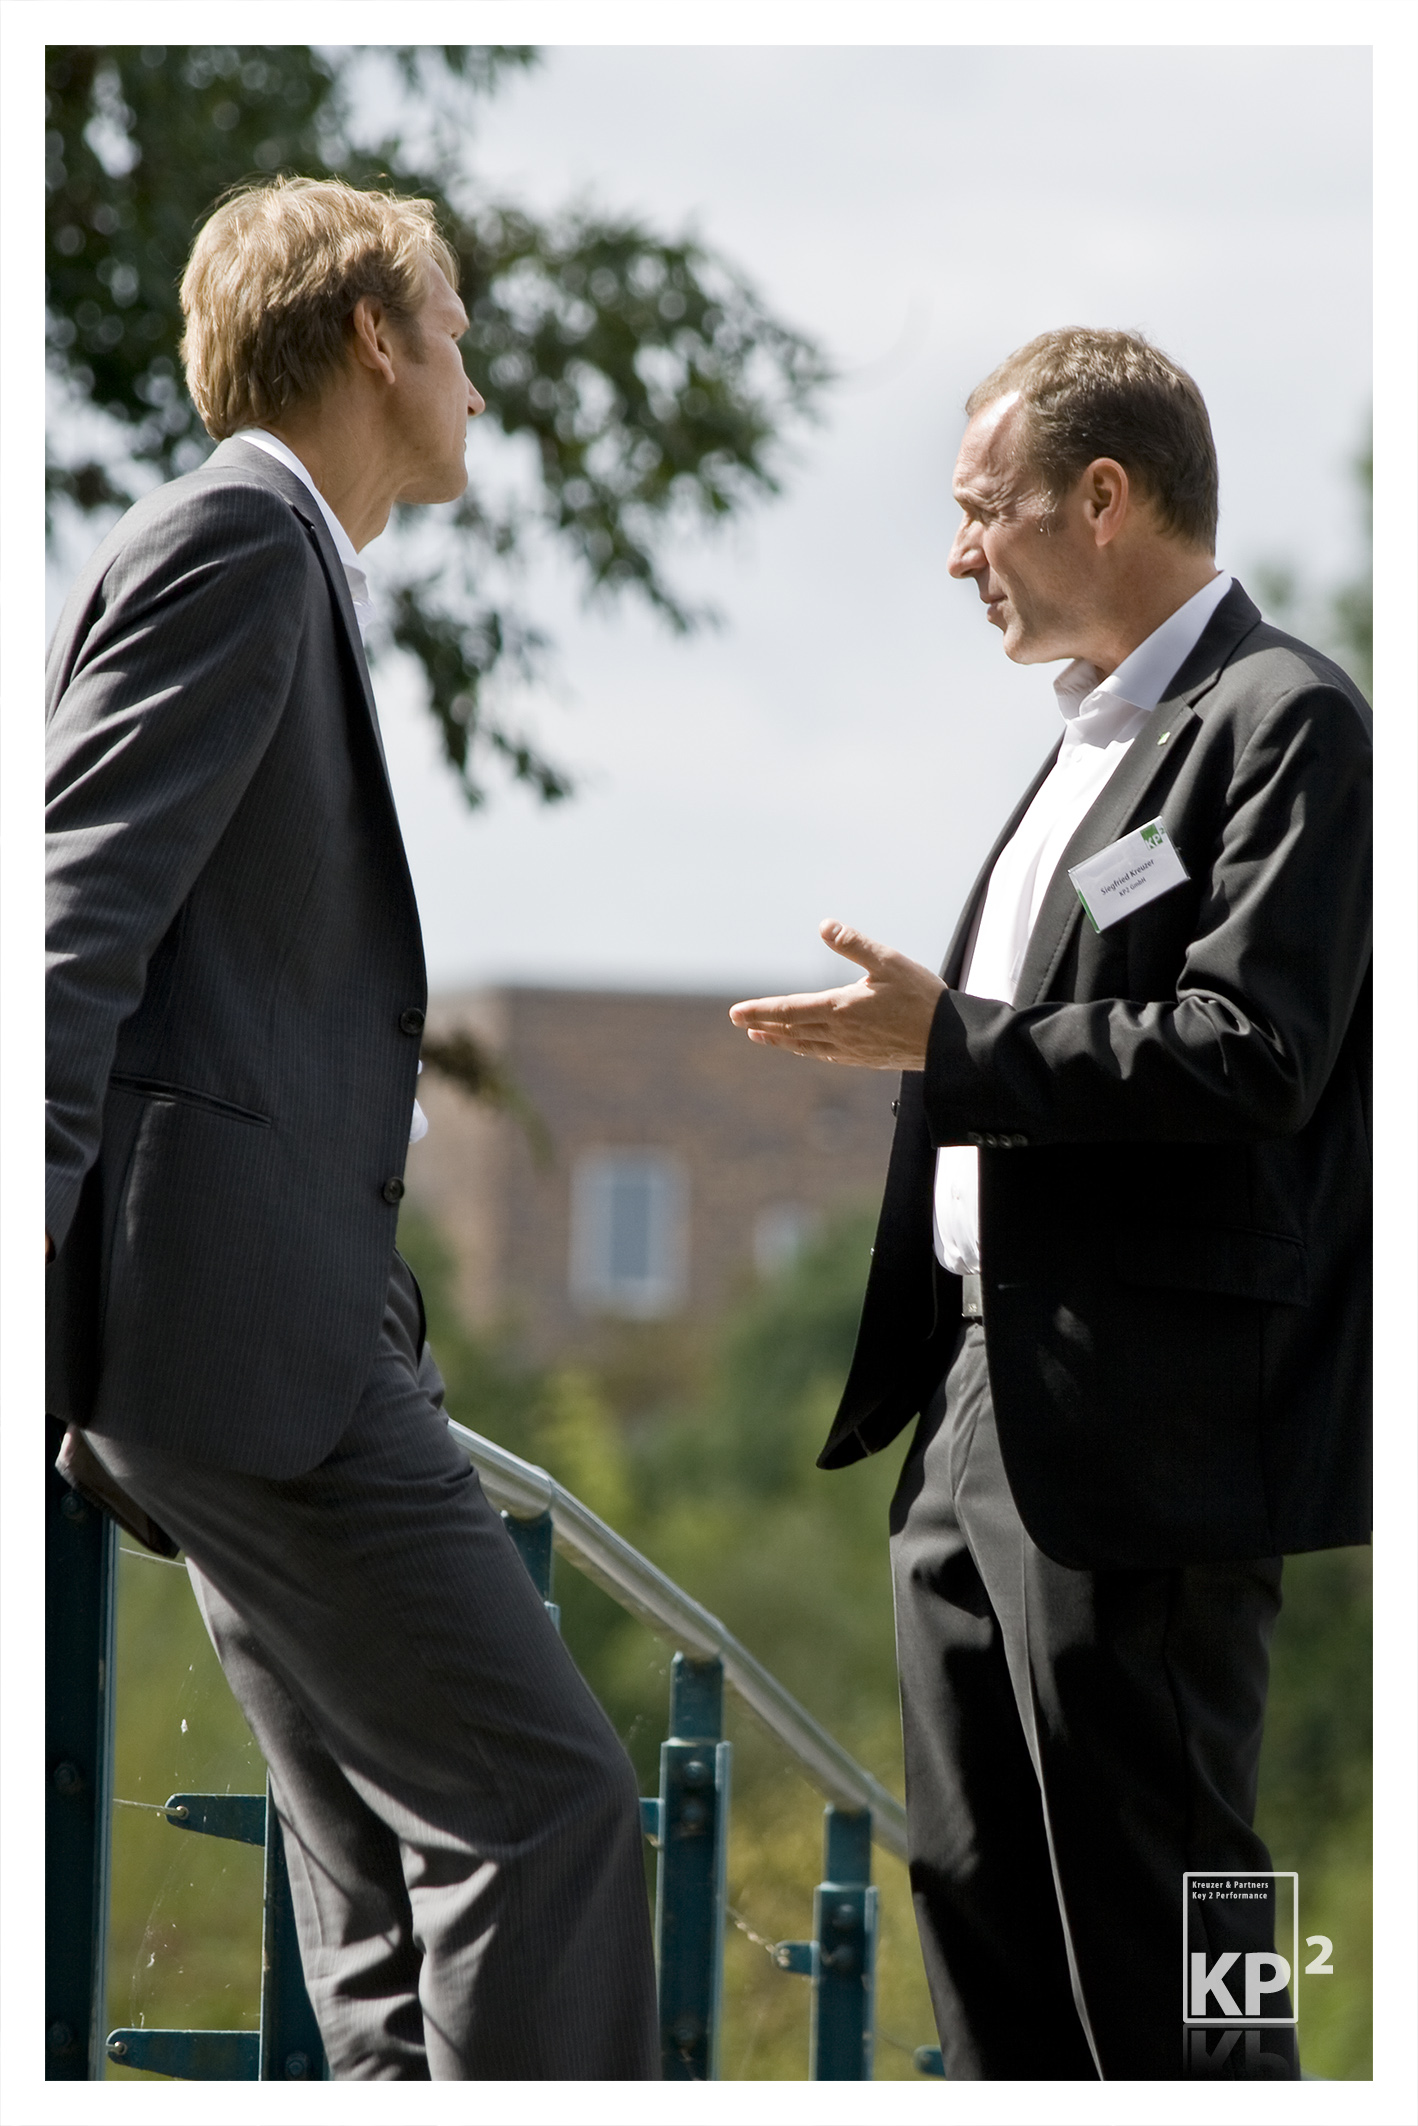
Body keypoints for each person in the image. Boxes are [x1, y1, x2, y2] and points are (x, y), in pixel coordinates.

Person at [46, 177, 659, 2081]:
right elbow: (67, 937)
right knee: (546, 1814)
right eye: (455, 324)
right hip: (236, 1342)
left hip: (268, 1340)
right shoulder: (238, 537)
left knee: (387, 1893)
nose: (476, 370)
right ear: (374, 336)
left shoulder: (278, 555)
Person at [730, 329, 1370, 2081]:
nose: (956, 556)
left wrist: (954, 1041)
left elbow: (1257, 1050)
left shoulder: (1287, 719)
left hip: (1145, 1435)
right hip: (975, 1410)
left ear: (1101, 494)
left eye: (977, 510)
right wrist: (940, 1053)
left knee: (1187, 1938)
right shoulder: (1090, 740)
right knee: (980, 1911)